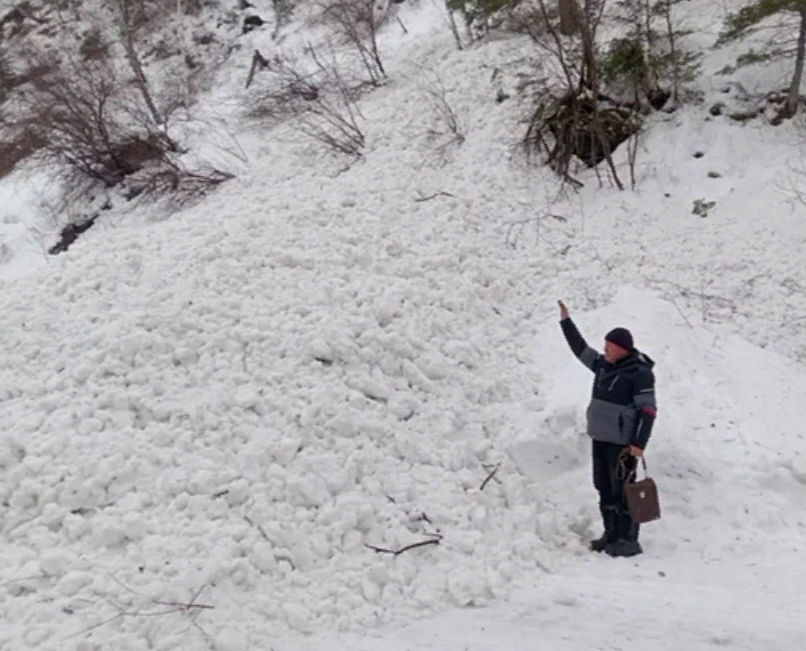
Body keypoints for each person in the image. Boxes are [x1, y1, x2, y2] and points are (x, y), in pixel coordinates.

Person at [558, 300, 657, 558]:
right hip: (600, 438)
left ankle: (628, 540)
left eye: (609, 346)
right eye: (605, 345)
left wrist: (639, 443)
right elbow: (580, 349)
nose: (604, 350)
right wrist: (566, 321)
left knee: (623, 491)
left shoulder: (640, 373)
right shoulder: (603, 366)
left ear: (622, 349)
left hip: (623, 444)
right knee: (603, 487)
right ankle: (610, 534)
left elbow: (648, 411)